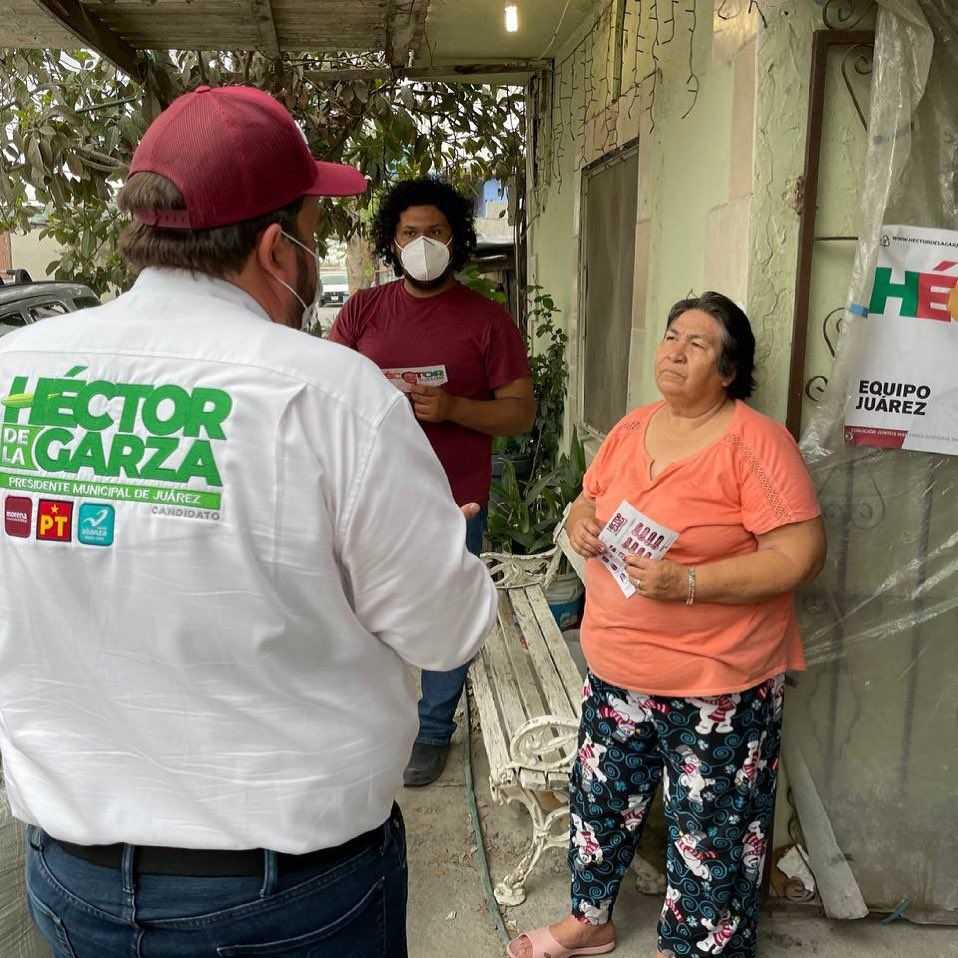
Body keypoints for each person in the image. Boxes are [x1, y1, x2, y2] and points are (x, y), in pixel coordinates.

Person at [0, 85, 498, 958]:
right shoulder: (333, 397)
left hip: (73, 880)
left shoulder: (14, 371)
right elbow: (446, 630)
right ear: (276, 247)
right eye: (311, 228)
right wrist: (431, 545)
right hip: (291, 897)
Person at [510, 292, 826, 958]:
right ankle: (589, 920)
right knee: (600, 805)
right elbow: (587, 499)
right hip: (616, 670)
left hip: (716, 682)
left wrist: (690, 583)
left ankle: (693, 949)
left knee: (710, 831)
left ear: (729, 370)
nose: (675, 352)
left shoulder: (756, 443)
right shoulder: (631, 428)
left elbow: (801, 555)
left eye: (697, 344)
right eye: (671, 336)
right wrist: (581, 524)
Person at [329, 178, 536, 786]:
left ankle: (434, 728)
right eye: (411, 233)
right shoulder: (363, 311)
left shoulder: (487, 321)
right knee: (362, 609)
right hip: (370, 496)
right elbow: (325, 390)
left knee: (445, 611)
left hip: (454, 499)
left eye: (436, 231)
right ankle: (374, 719)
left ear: (456, 237)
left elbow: (520, 414)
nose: (423, 243)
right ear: (392, 241)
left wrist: (453, 409)